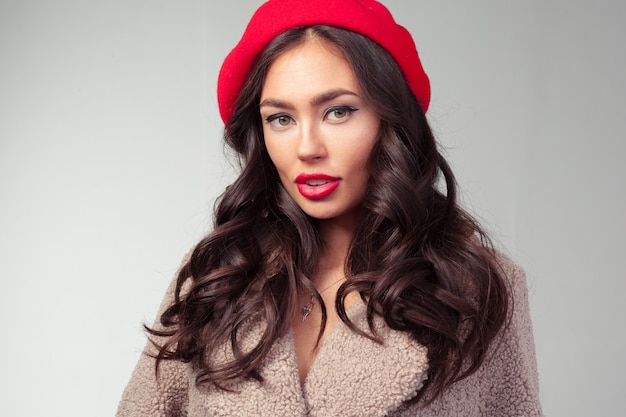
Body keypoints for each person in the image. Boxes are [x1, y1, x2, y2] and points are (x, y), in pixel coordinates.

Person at [117, 0, 543, 415]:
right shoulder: (218, 275)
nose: (307, 148)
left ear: (390, 119)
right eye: (280, 119)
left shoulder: (476, 287)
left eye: (338, 112)